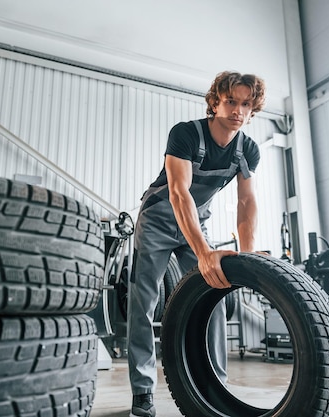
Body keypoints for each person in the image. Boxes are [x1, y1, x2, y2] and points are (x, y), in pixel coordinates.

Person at [126, 70, 266, 417]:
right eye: (231, 101)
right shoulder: (186, 134)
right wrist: (204, 252)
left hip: (196, 222)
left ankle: (213, 385)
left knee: (213, 294)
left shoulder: (247, 149)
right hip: (160, 216)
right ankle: (143, 391)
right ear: (215, 102)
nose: (238, 110)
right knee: (144, 302)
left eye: (246, 104)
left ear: (253, 109)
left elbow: (246, 202)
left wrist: (247, 258)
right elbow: (178, 192)